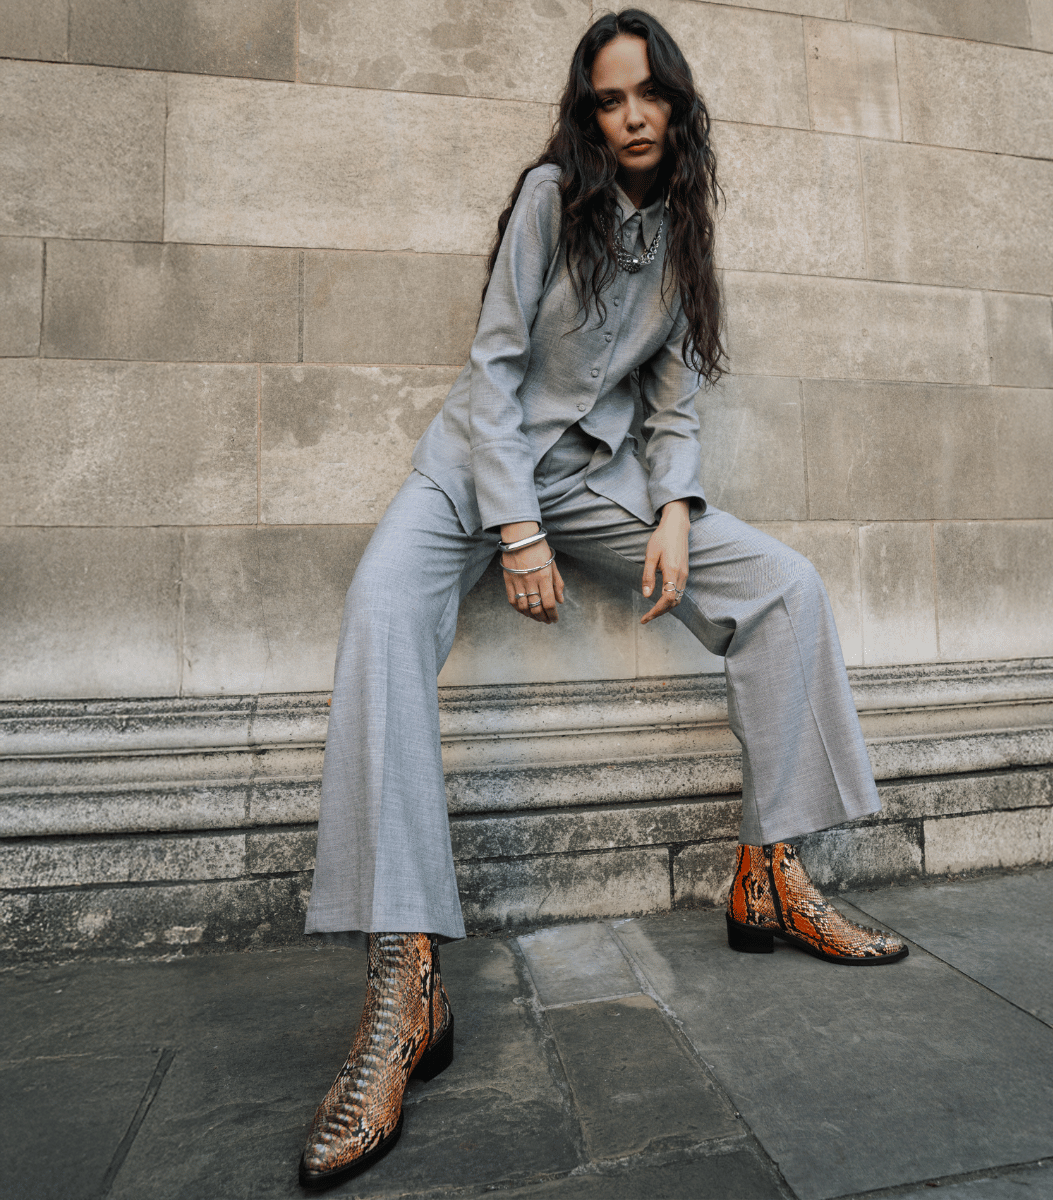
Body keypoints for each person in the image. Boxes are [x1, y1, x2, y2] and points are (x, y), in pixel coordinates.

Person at [297, 9, 906, 1190]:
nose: (629, 117)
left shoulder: (682, 231)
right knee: (378, 620)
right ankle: (404, 990)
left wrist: (674, 508)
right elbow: (492, 367)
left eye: (646, 96)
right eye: (606, 101)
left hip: (596, 484)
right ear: (586, 116)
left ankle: (770, 876)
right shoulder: (547, 198)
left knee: (783, 587)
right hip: (475, 474)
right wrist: (515, 530)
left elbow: (672, 401)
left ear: (675, 103)